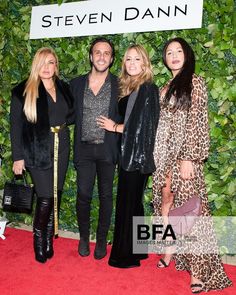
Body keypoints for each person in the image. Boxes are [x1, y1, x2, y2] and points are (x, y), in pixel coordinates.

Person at [152, 37, 232, 293]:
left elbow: (198, 124)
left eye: (178, 51)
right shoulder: (165, 86)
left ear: (187, 55)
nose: (173, 55)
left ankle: (198, 272)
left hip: (184, 157)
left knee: (191, 214)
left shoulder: (195, 83)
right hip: (163, 157)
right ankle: (169, 250)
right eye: (169, 52)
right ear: (165, 59)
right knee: (165, 205)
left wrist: (189, 157)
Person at [97, 44, 159, 268]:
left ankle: (125, 256)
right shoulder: (131, 87)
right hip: (131, 153)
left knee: (128, 204)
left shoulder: (147, 87)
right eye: (128, 59)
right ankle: (137, 253)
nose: (132, 63)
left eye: (137, 59)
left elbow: (143, 127)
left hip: (136, 156)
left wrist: (114, 127)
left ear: (145, 63)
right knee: (133, 205)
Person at [10, 47, 74, 263]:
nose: (47, 68)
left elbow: (71, 115)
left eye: (51, 62)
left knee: (55, 194)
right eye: (43, 63)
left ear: (56, 65)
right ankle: (38, 239)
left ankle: (48, 239)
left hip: (62, 146)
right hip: (36, 150)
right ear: (36, 65)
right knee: (45, 197)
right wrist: (18, 157)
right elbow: (15, 127)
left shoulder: (64, 88)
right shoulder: (22, 91)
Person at [70, 37, 119, 260]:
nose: (101, 56)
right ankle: (83, 238)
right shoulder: (76, 84)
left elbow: (133, 116)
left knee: (106, 197)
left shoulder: (119, 85)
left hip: (108, 150)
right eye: (97, 52)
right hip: (84, 150)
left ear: (111, 59)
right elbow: (65, 112)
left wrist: (118, 128)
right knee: (83, 195)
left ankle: (100, 240)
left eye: (106, 53)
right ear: (91, 56)